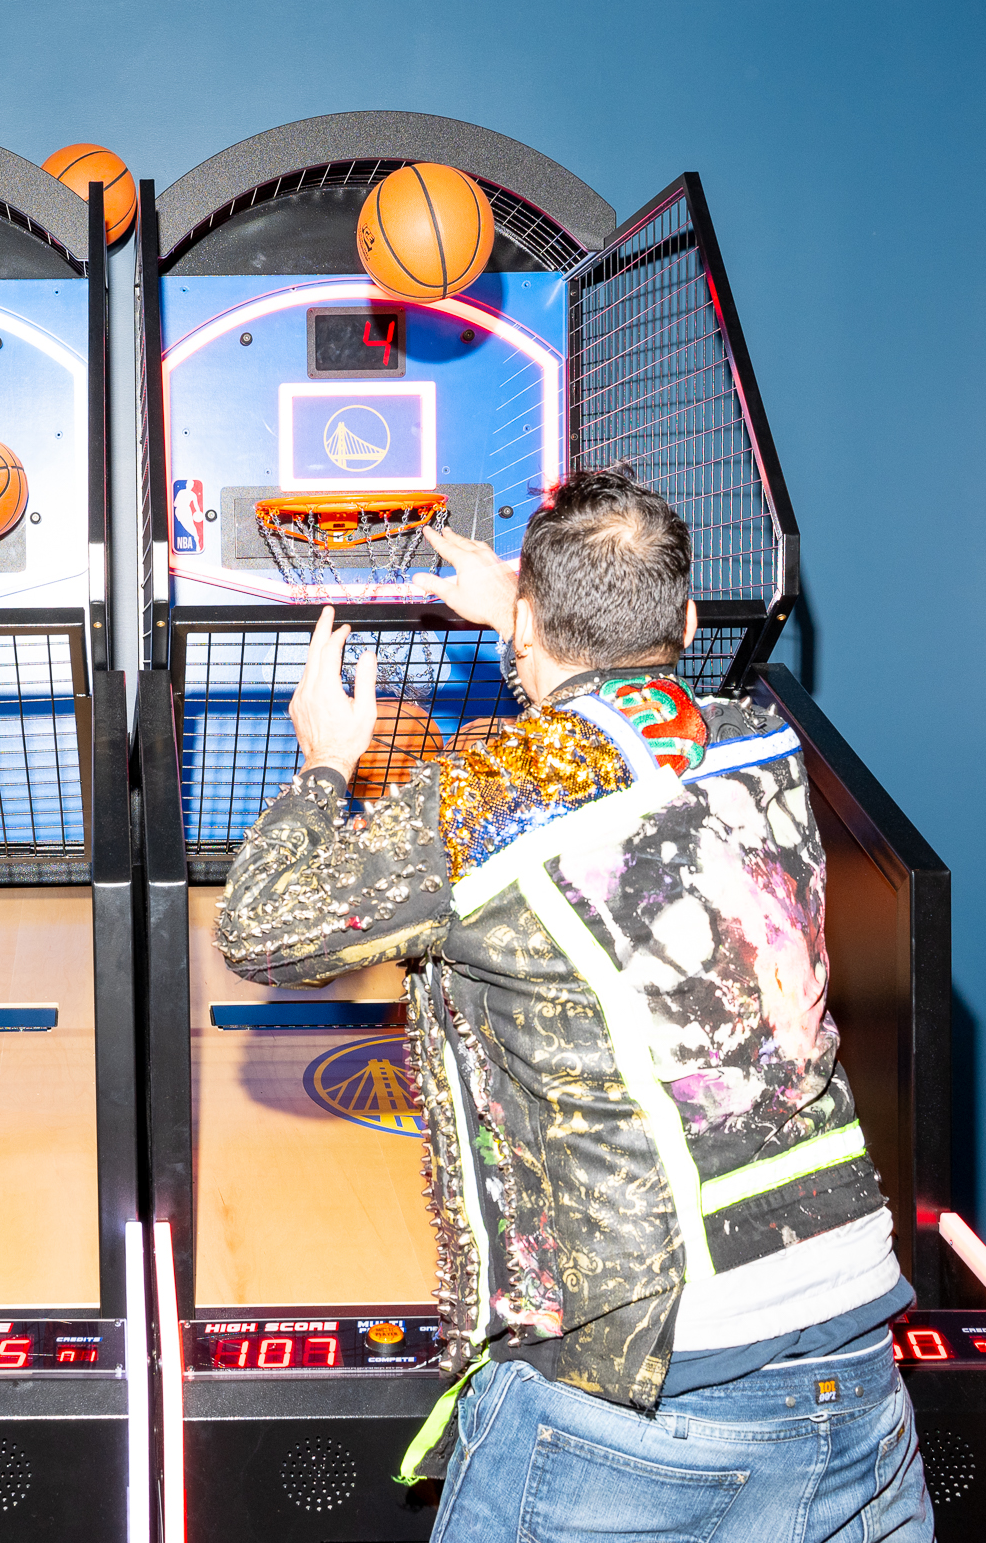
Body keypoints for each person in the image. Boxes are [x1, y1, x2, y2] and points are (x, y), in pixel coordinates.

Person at [216, 469, 929, 1539]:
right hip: (858, 1348)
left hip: (648, 1386)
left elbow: (261, 926)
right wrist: (529, 611)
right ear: (686, 621)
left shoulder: (480, 796)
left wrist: (326, 762)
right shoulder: (764, 743)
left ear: (536, 627)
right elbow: (632, 736)